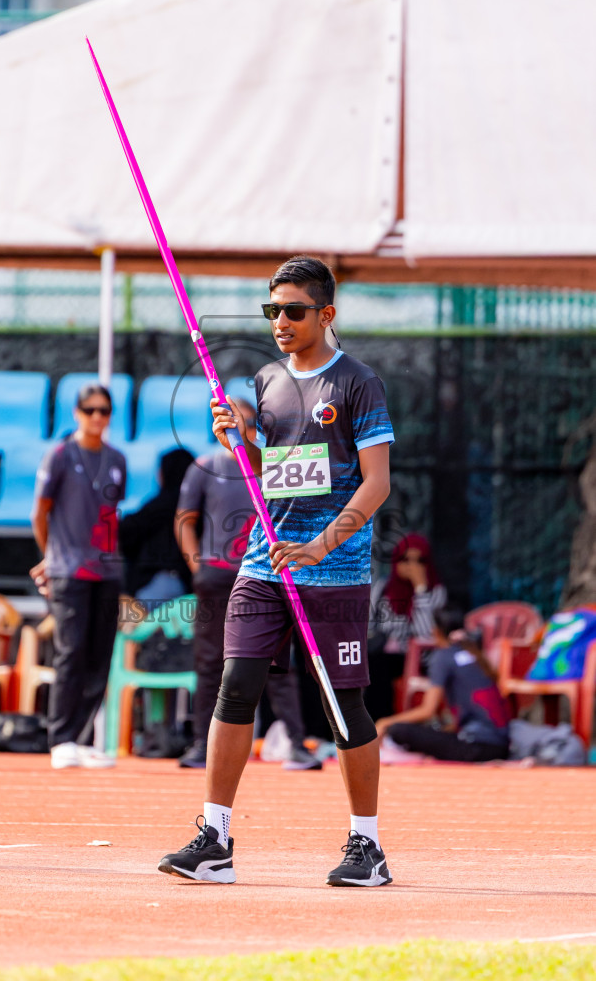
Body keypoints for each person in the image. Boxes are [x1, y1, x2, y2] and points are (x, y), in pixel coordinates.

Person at [158, 254, 394, 887]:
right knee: (235, 688)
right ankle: (216, 840)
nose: (281, 322)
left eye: (294, 310)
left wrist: (321, 544)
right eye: (273, 311)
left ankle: (366, 847)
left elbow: (376, 485)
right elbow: (276, 472)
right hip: (263, 563)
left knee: (345, 707)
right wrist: (243, 438)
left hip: (334, 571)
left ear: (326, 314)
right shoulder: (266, 379)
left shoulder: (357, 383)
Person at [175, 399, 321, 770]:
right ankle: (199, 744)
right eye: (227, 417)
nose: (233, 423)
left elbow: (303, 508)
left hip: (265, 575)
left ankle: (295, 743)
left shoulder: (271, 463)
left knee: (276, 663)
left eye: (242, 417)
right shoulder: (206, 465)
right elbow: (184, 519)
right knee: (209, 661)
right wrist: (197, 566)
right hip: (216, 576)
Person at [31, 383, 126, 769]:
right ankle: (61, 737)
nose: (97, 417)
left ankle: (83, 737)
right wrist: (50, 556)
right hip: (69, 569)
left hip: (107, 568)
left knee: (100, 655)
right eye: (89, 410)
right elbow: (40, 513)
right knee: (70, 652)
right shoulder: (58, 455)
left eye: (103, 410)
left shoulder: (118, 458)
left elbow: (111, 515)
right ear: (76, 412)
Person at [375, 607, 510, 762]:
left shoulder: (443, 656)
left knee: (398, 730)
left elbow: (427, 710)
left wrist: (385, 722)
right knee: (438, 730)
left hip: (476, 747)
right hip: (500, 746)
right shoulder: (473, 653)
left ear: (436, 631)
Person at [365, 533, 446, 721]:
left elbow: (425, 633)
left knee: (378, 665)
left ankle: (381, 724)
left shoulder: (435, 592)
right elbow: (369, 624)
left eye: (419, 560)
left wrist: (420, 589)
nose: (411, 566)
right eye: (405, 559)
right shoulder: (384, 588)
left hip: (421, 658)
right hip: (383, 652)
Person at [118, 448, 194, 612]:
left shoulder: (159, 505)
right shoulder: (199, 506)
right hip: (189, 589)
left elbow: (123, 534)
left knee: (135, 633)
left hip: (157, 585)